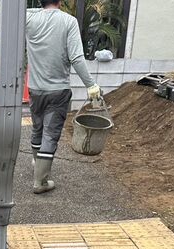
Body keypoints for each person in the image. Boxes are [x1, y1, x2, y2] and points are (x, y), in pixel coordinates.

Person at [25, 0, 101, 194]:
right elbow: (76, 57)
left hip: (34, 88)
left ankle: (37, 163)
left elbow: (24, 12)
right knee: (50, 134)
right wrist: (91, 85)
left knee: (38, 128)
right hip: (58, 90)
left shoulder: (28, 18)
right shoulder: (69, 21)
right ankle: (40, 182)